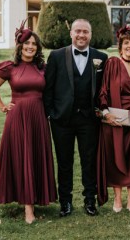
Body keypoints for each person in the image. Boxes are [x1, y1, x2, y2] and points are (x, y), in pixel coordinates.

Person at [0, 21, 57, 224]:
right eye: (27, 43)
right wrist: (2, 106)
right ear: (20, 46)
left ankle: (35, 199)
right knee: (21, 157)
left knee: (34, 157)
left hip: (38, 117)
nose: (30, 47)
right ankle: (28, 209)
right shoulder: (10, 67)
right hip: (17, 118)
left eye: (34, 44)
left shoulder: (42, 68)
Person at [43, 19, 108, 217]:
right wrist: (51, 113)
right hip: (62, 119)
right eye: (78, 31)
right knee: (64, 162)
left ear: (91, 34)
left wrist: (100, 111)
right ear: (71, 33)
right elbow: (48, 88)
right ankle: (66, 202)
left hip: (89, 119)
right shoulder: (56, 56)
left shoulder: (101, 57)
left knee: (89, 161)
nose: (81, 35)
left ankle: (90, 200)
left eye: (85, 31)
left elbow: (104, 90)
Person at [96, 25, 130, 213]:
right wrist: (105, 113)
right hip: (115, 118)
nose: (129, 46)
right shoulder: (112, 63)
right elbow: (103, 91)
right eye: (126, 42)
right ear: (120, 46)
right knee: (115, 156)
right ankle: (118, 198)